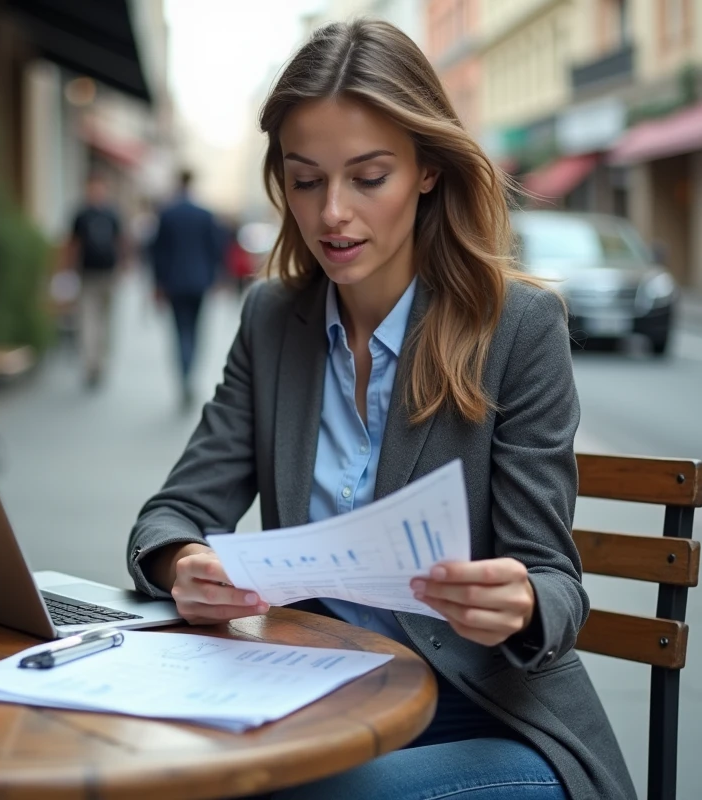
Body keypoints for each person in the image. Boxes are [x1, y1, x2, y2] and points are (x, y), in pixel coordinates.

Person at [126, 19, 634, 800]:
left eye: (368, 177)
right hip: (324, 698)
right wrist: (183, 564)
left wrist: (521, 602)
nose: (332, 213)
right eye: (305, 180)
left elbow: (555, 582)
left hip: (493, 716)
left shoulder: (517, 329)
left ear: (427, 170)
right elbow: (173, 512)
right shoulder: (273, 320)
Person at [150, 169, 226, 409]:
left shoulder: (167, 213)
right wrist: (216, 277)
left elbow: (157, 252)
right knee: (195, 330)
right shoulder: (204, 214)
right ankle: (190, 374)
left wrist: (158, 283)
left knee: (179, 331)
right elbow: (216, 248)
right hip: (199, 281)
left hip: (174, 282)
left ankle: (184, 377)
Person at [66, 173, 125, 388]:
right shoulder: (81, 214)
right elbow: (73, 244)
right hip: (87, 274)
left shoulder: (112, 214)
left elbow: (121, 242)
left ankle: (101, 362)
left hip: (108, 274)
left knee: (106, 321)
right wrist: (68, 271)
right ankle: (91, 364)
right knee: (88, 320)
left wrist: (123, 267)